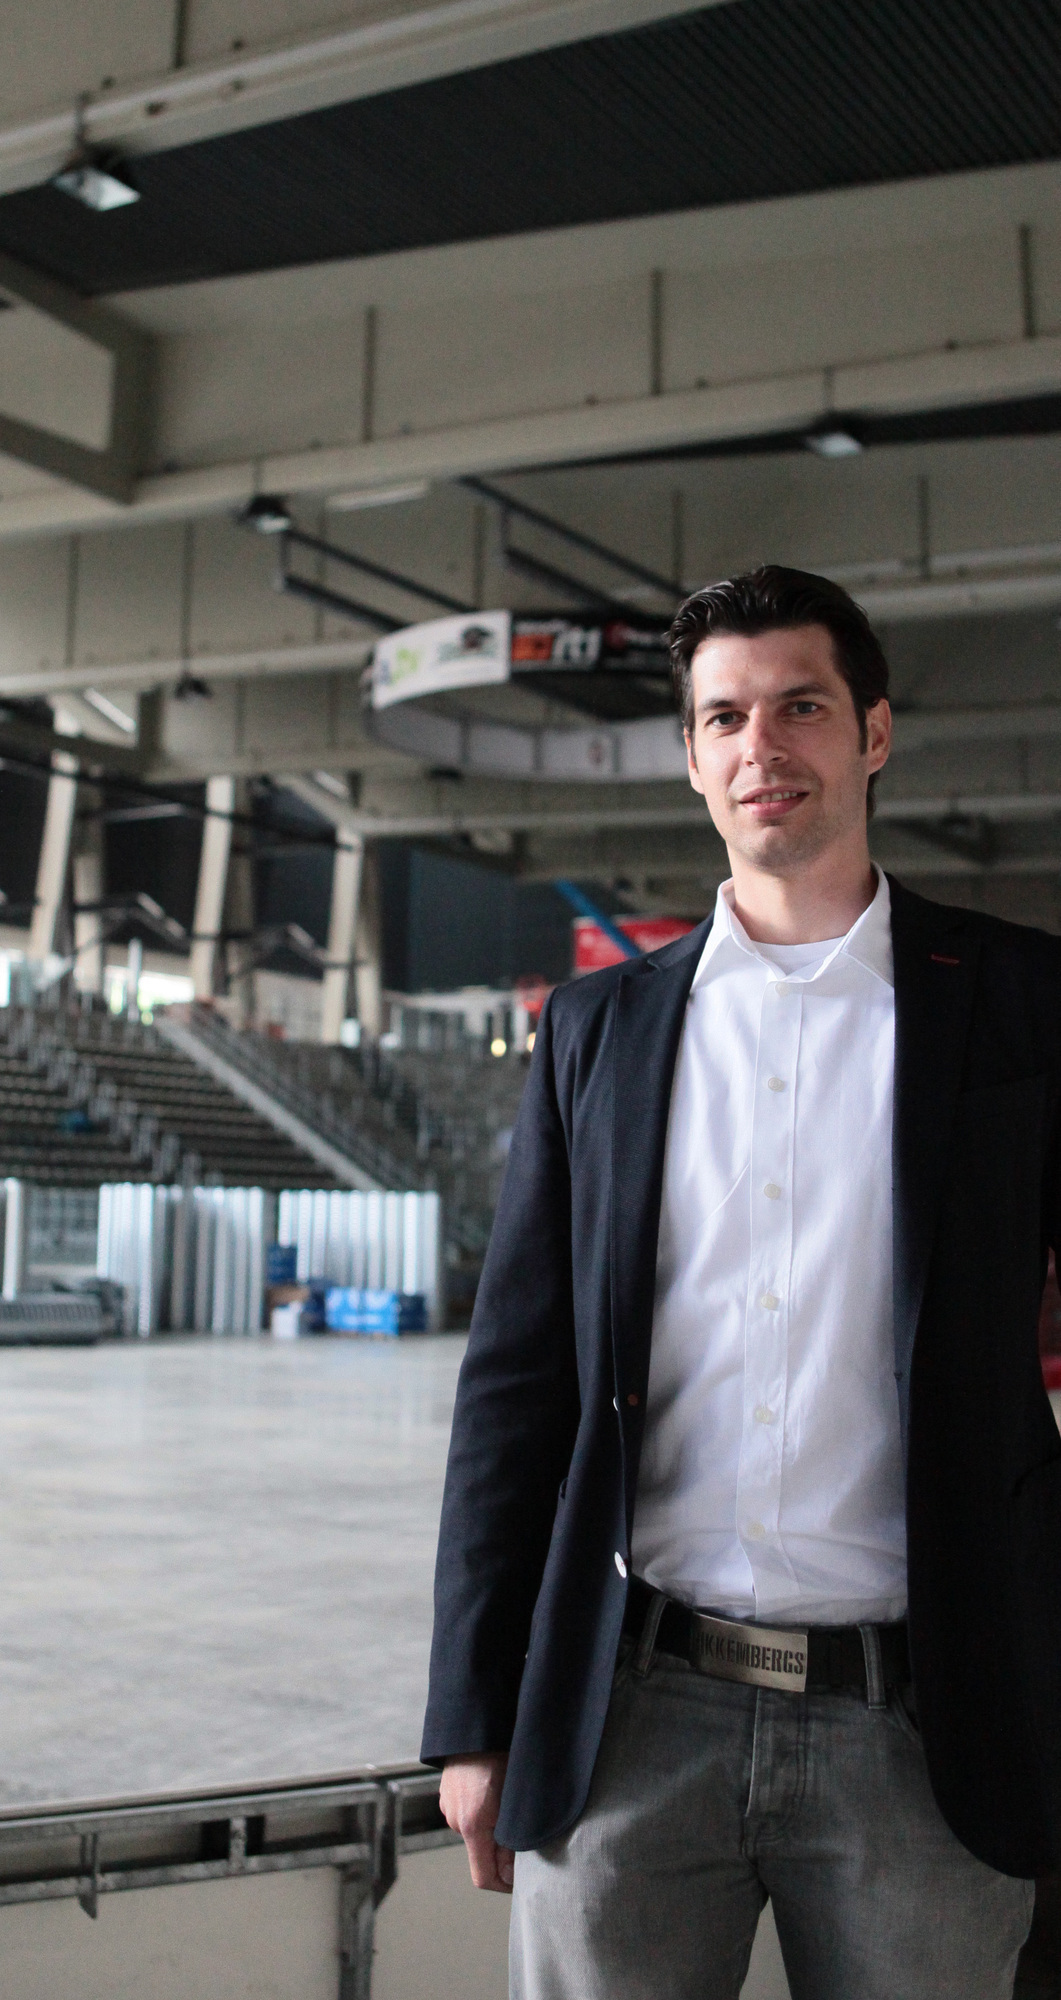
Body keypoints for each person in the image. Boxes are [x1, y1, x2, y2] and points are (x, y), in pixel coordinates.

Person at [421, 566, 1061, 1999]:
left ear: (873, 734)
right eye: (723, 717)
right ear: (692, 753)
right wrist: (473, 1717)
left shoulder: (1023, 1005)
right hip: (630, 1716)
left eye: (799, 708)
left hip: (925, 1725)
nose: (760, 748)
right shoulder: (596, 1034)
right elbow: (514, 1388)